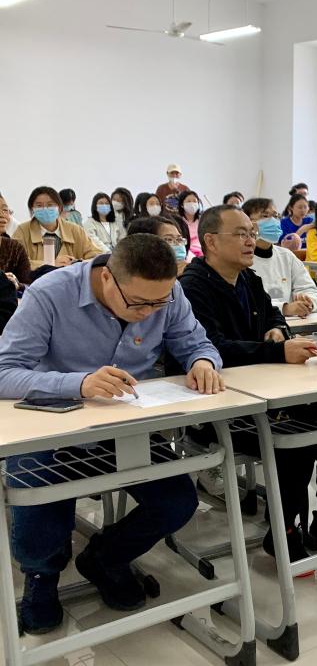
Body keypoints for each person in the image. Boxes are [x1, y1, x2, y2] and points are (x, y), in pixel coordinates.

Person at [0, 234, 224, 634]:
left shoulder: (167, 295)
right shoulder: (49, 294)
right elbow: (4, 372)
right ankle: (41, 579)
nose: (148, 313)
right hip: (51, 423)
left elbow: (197, 343)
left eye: (158, 304)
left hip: (123, 425)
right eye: (138, 303)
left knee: (176, 501)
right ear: (107, 277)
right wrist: (79, 383)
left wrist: (203, 361)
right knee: (39, 503)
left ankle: (106, 557)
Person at [178, 205, 317, 558]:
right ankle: (286, 526)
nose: (251, 241)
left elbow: (274, 317)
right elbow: (212, 347)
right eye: (241, 234)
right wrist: (276, 351)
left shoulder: (249, 280)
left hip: (266, 390)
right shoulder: (192, 287)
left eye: (252, 233)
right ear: (211, 242)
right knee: (297, 429)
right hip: (222, 404)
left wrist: (278, 331)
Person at [242, 198, 317, 316]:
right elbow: (245, 301)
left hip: (292, 322)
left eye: (276, 216)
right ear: (248, 223)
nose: (273, 221)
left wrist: (308, 302)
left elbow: (310, 289)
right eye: (265, 216)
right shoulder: (240, 258)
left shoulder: (287, 256)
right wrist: (284, 308)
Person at [13, 186, 102, 270]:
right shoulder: (22, 231)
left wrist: (77, 263)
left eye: (50, 205)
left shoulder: (75, 230)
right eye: (39, 205)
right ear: (32, 209)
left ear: (59, 207)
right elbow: (16, 262)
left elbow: (96, 256)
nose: (45, 209)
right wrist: (50, 264)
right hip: (36, 280)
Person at [0, 193, 32, 289]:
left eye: (5, 210)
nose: (2, 215)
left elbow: (29, 286)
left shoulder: (16, 248)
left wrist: (16, 284)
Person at [177, 190, 204, 258]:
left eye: (195, 201)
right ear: (182, 205)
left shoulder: (202, 220)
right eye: (188, 201)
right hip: (186, 253)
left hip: (203, 252)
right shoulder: (178, 221)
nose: (192, 204)